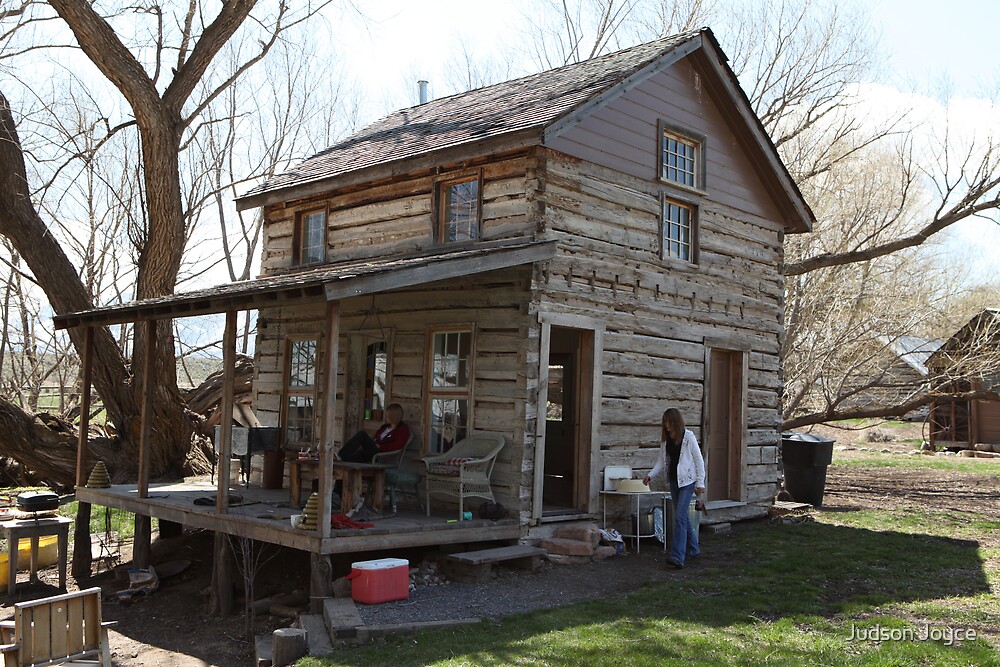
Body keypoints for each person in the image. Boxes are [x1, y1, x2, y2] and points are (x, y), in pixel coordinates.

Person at [643, 408, 705, 569]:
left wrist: (700, 483)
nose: (667, 425)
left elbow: (699, 461)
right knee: (682, 517)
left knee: (679, 517)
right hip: (673, 481)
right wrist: (650, 475)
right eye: (665, 422)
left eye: (669, 422)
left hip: (687, 482)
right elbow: (660, 462)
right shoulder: (665, 440)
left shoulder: (688, 438)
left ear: (676, 422)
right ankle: (693, 548)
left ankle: (678, 556)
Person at [337, 403, 410, 463]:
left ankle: (340, 455)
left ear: (393, 416)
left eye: (388, 415)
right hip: (371, 451)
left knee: (362, 434)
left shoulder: (402, 429)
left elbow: (397, 446)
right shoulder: (385, 427)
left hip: (380, 455)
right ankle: (340, 460)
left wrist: (380, 446)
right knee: (346, 461)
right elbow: (376, 438)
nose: (386, 417)